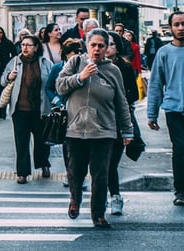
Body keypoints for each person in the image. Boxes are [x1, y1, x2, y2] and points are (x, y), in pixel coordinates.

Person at [56, 28, 133, 228]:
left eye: (101, 46)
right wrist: (80, 77)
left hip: (104, 130)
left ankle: (98, 214)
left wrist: (127, 130)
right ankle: (75, 199)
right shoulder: (75, 63)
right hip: (75, 128)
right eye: (93, 45)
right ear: (86, 46)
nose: (97, 49)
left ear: (107, 48)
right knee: (75, 170)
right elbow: (60, 85)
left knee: (100, 173)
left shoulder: (113, 70)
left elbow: (121, 102)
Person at [1, 34, 53, 184]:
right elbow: (2, 80)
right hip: (20, 109)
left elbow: (51, 83)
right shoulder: (15, 62)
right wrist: (8, 77)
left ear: (36, 47)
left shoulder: (45, 63)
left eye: (28, 45)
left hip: (40, 109)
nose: (24, 48)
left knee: (42, 140)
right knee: (21, 142)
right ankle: (22, 172)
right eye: (23, 45)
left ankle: (43, 164)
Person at [147, 11, 184, 206]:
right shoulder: (164, 53)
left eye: (183, 24)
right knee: (180, 148)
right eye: (177, 24)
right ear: (170, 28)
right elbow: (155, 85)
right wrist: (151, 114)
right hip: (174, 110)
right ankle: (180, 191)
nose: (181, 28)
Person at [106, 31, 139, 216]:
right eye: (104, 43)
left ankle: (115, 196)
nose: (106, 47)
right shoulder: (93, 66)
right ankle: (101, 196)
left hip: (118, 122)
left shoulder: (124, 68)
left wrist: (118, 100)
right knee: (98, 164)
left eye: (111, 44)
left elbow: (133, 94)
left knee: (110, 164)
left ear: (117, 48)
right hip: (98, 122)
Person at [44, 38, 85, 189]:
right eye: (75, 52)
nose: (78, 55)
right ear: (67, 54)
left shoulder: (84, 67)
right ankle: (70, 174)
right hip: (64, 112)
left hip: (81, 110)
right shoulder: (57, 68)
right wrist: (56, 101)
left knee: (82, 144)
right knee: (68, 145)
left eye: (80, 52)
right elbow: (48, 87)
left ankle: (79, 174)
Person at [0, 26, 17, 119]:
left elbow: (14, 55)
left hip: (6, 68)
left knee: (7, 88)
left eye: (1, 32)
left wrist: (10, 63)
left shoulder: (8, 43)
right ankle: (1, 110)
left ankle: (6, 109)